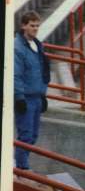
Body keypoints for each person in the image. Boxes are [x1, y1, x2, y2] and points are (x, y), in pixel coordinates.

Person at [14, 11, 50, 171]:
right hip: (25, 98)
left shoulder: (37, 44)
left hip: (36, 96)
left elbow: (41, 71)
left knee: (33, 136)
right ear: (23, 26)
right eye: (31, 25)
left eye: (37, 26)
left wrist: (43, 95)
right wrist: (19, 97)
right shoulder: (17, 47)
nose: (35, 29)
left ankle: (21, 166)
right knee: (25, 136)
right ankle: (22, 170)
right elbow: (16, 75)